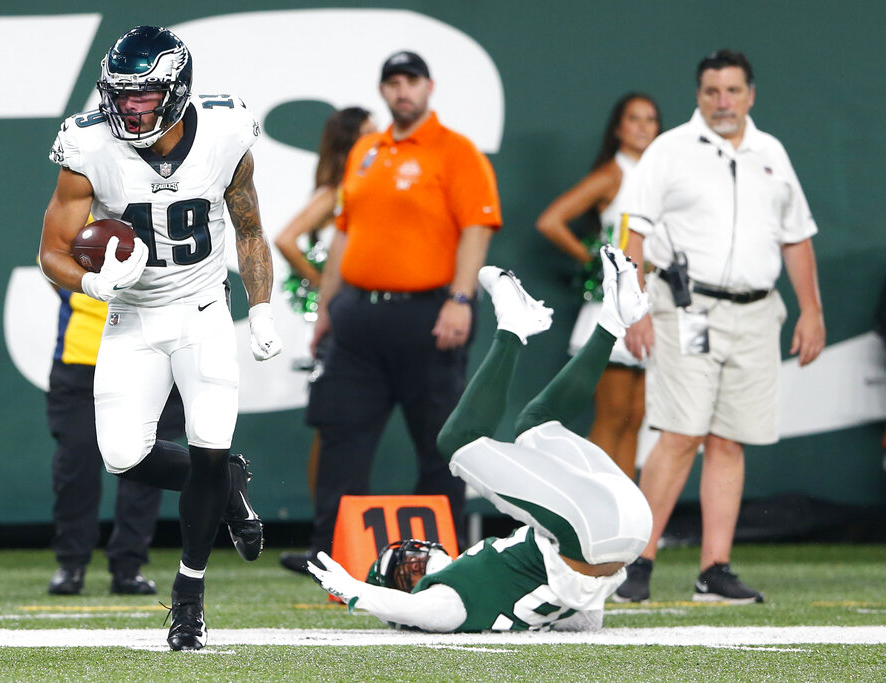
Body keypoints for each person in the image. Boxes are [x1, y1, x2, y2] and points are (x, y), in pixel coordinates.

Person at [38, 26, 280, 650]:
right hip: (131, 316)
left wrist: (261, 310)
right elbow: (52, 253)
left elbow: (249, 227)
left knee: (207, 441)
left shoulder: (226, 131)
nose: (130, 107)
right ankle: (229, 484)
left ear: (175, 92)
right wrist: (93, 287)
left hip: (201, 309)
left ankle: (188, 597)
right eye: (121, 95)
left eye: (144, 96)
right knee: (123, 456)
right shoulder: (88, 142)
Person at [307, 246, 654, 632]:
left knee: (537, 423)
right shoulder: (446, 602)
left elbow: (585, 619)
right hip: (588, 530)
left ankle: (612, 321)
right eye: (403, 573)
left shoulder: (500, 595)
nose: (417, 561)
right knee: (457, 441)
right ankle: (512, 326)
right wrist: (357, 591)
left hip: (623, 532)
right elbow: (419, 612)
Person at [280, 51, 502, 573]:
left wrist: (462, 298)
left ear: (430, 87)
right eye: (393, 83)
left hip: (428, 315)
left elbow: (476, 227)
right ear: (383, 91)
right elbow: (345, 234)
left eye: (412, 82)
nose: (402, 92)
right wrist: (328, 311)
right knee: (341, 436)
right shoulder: (365, 151)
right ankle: (329, 553)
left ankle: (439, 560)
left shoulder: (457, 151)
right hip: (358, 316)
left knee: (440, 440)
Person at [617, 50, 826, 603]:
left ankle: (714, 569)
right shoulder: (669, 150)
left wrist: (812, 310)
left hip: (757, 312)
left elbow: (796, 236)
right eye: (712, 91)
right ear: (698, 94)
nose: (723, 102)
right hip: (688, 308)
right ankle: (636, 562)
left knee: (729, 440)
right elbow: (632, 232)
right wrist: (634, 309)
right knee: (680, 434)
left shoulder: (771, 153)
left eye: (733, 91)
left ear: (751, 94)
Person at [536, 93, 661, 478]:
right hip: (616, 306)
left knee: (636, 417)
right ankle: (598, 514)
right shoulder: (613, 173)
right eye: (633, 119)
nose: (642, 127)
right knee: (612, 414)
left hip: (653, 300)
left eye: (650, 119)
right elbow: (551, 220)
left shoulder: (661, 172)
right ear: (618, 128)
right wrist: (595, 260)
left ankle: (627, 520)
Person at [45, 284, 183, 596]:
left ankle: (128, 566)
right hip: (83, 352)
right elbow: (51, 260)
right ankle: (71, 563)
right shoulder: (75, 231)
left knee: (146, 464)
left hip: (151, 351)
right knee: (75, 465)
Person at [274, 106, 375, 497]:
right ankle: (328, 524)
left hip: (361, 317)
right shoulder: (334, 192)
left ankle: (342, 521)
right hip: (338, 322)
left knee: (353, 423)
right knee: (335, 425)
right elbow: (286, 239)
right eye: (369, 134)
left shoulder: (361, 191)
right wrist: (322, 286)